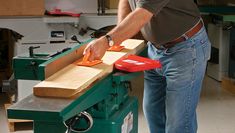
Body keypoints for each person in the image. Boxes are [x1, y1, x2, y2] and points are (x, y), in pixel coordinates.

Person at [83, 0, 211, 132]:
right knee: (153, 112)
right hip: (155, 49)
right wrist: (120, 39)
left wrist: (108, 41)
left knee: (178, 123)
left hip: (186, 48)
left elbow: (142, 14)